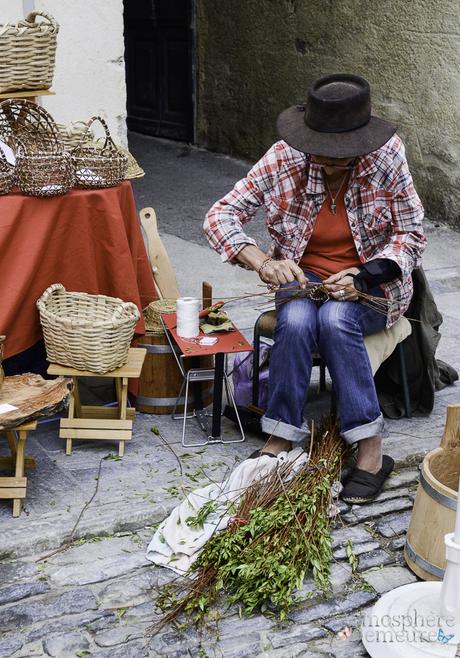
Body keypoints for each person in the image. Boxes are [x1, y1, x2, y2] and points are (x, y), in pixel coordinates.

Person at [203, 74, 426, 503]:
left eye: (340, 159)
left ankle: (370, 449)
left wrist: (364, 274)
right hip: (301, 279)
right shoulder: (285, 157)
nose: (327, 164)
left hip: (374, 286)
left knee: (338, 317)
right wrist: (263, 262)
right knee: (302, 316)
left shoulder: (387, 157)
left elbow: (412, 234)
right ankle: (282, 435)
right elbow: (220, 216)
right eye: (320, 156)